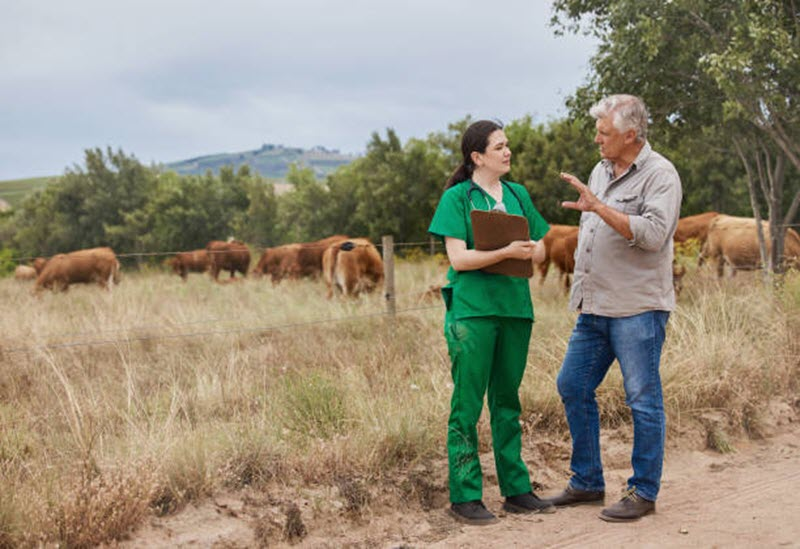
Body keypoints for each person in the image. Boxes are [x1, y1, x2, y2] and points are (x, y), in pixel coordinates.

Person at [544, 94, 682, 522]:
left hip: (637, 308)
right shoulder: (599, 171)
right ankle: (587, 481)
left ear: (630, 134)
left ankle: (643, 491)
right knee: (572, 385)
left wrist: (599, 207)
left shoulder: (660, 175)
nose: (597, 139)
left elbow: (654, 234)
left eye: (604, 132)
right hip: (595, 307)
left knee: (642, 399)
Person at [428, 120, 552, 525]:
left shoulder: (518, 194)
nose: (508, 151)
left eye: (507, 145)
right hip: (473, 313)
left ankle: (516, 490)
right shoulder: (457, 199)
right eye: (499, 146)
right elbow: (459, 260)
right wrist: (504, 252)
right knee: (466, 405)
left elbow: (542, 246)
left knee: (507, 402)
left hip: (515, 310)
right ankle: (465, 496)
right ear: (477, 157)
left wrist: (532, 249)